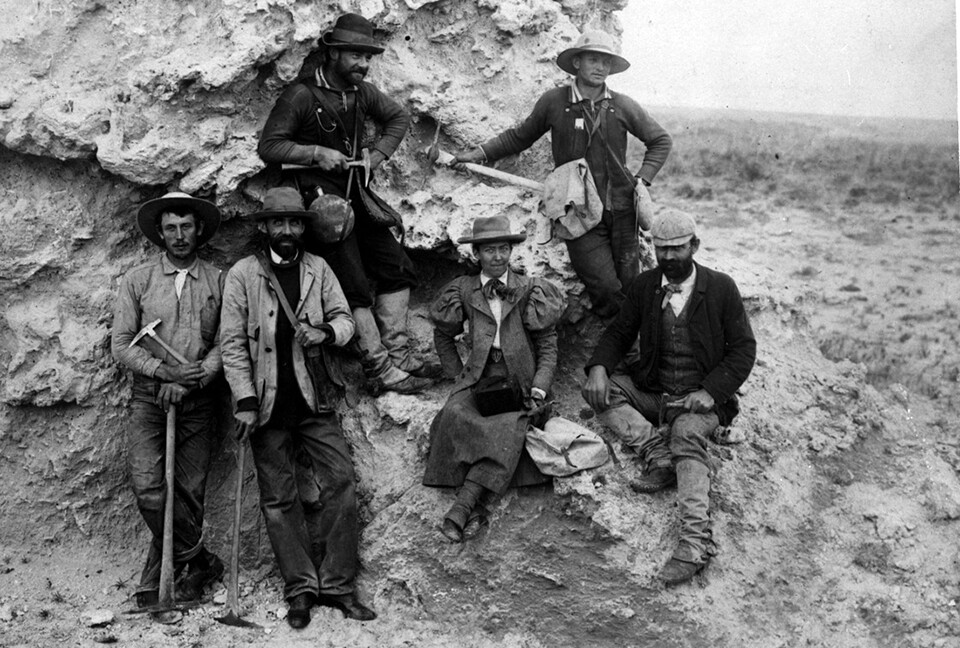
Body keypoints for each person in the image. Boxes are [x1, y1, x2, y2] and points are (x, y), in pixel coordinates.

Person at [220, 187, 376, 629]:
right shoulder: (243, 275)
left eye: (294, 223)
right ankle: (301, 590)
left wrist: (325, 332)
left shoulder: (319, 269)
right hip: (266, 406)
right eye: (279, 223)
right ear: (265, 227)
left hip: (315, 399)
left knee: (342, 483)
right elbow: (231, 344)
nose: (287, 230)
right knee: (278, 500)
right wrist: (245, 401)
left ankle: (339, 586)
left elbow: (346, 320)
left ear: (302, 227)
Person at [258, 12, 434, 394]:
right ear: (333, 54)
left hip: (356, 195)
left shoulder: (361, 92)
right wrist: (315, 153)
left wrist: (376, 156)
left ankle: (399, 353)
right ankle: (380, 368)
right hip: (321, 206)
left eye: (368, 57)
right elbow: (269, 147)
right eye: (356, 55)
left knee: (396, 265)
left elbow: (398, 118)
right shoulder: (301, 95)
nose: (364, 64)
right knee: (352, 283)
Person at [581, 209, 756, 584]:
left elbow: (743, 350)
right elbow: (619, 333)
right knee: (601, 392)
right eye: (661, 250)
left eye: (677, 249)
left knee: (686, 434)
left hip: (702, 404)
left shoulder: (721, 288)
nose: (669, 258)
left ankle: (694, 545)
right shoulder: (646, 286)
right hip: (656, 393)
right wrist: (598, 367)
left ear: (694, 245)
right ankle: (657, 455)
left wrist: (711, 391)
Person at [455, 29, 672, 318]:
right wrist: (478, 153)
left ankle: (630, 354)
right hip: (577, 213)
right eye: (593, 60)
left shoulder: (621, 105)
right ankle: (625, 349)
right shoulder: (555, 102)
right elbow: (520, 137)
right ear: (577, 63)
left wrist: (643, 180)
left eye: (606, 62)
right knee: (606, 288)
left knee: (631, 285)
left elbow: (661, 140)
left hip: (622, 211)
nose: (600, 68)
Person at [110, 192, 225, 608]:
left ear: (199, 231)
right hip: (149, 398)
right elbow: (122, 345)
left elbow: (227, 343)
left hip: (199, 399)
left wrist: (192, 378)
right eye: (171, 228)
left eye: (186, 227)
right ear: (160, 233)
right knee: (149, 489)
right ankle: (200, 560)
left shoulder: (219, 280)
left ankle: (171, 577)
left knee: (190, 492)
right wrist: (163, 372)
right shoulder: (137, 280)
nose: (179, 236)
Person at [422, 215, 563, 542]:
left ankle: (463, 507)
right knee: (455, 415)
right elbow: (443, 336)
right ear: (477, 254)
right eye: (489, 250)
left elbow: (548, 347)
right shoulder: (463, 289)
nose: (498, 257)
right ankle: (475, 511)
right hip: (478, 379)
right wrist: (457, 375)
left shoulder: (530, 289)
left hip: (521, 382)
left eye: (503, 249)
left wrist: (540, 389)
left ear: (511, 250)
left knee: (511, 426)